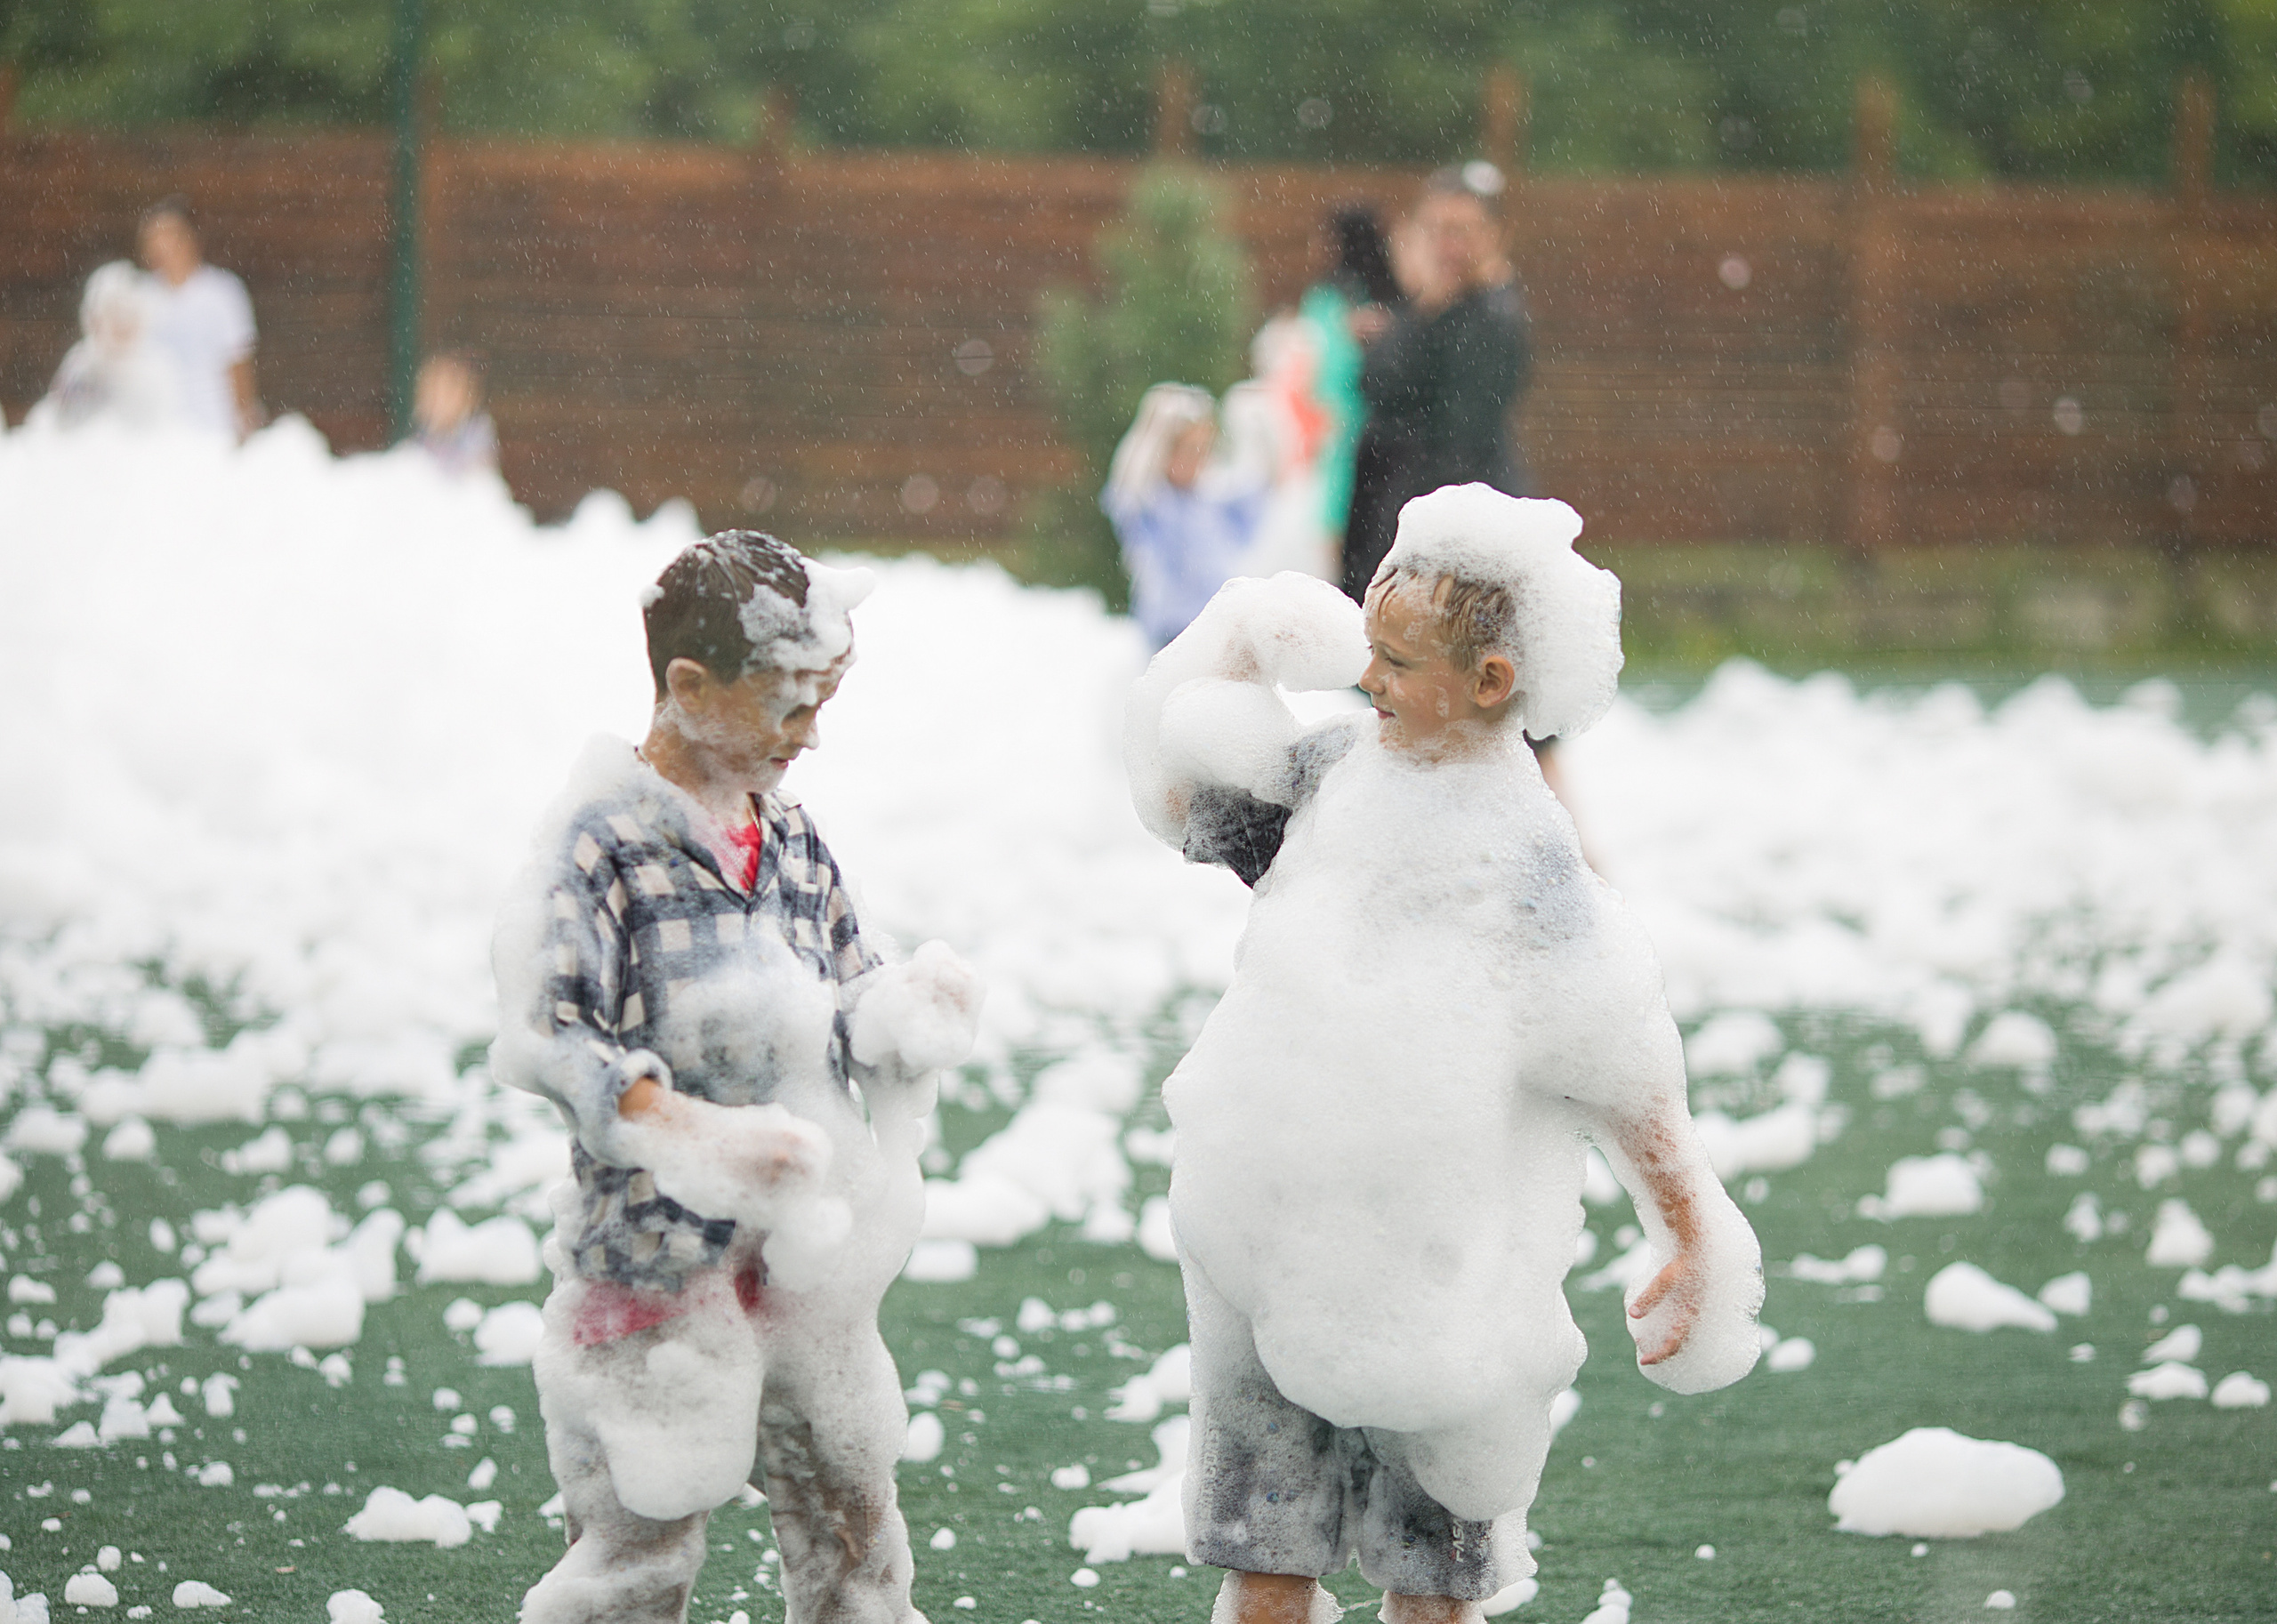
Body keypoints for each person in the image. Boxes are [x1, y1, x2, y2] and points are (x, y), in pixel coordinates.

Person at [1126, 485, 1763, 1624]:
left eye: (1396, 659)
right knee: (1264, 1553)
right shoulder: (1331, 775)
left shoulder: (1528, 864)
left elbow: (1618, 1064)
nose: (1365, 676)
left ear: (1491, 681)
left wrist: (1690, 1223)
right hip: (1272, 1222)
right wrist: (1228, 649)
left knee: (1433, 1572)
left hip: (1446, 1268)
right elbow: (1181, 800)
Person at [492, 528, 983, 1624]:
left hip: (806, 1265)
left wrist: (904, 1008)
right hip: (654, 1265)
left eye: (823, 701)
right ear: (688, 686)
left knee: (854, 1529)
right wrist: (685, 1131)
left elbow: (847, 986)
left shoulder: (791, 837)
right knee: (637, 1554)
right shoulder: (599, 845)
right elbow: (551, 1034)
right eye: (787, 703)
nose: (810, 733)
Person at [1341, 166, 1533, 602]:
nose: (1447, 246)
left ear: (1494, 236)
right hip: (1393, 512)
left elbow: (1457, 435)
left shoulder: (1493, 319)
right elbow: (1374, 384)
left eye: (1459, 231)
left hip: (1448, 535)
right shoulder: (1432, 305)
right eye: (1434, 231)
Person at [1102, 382, 1270, 650]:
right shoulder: (1156, 504)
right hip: (1169, 632)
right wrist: (1156, 424)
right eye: (1190, 450)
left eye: (1205, 448)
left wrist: (1254, 431)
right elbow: (1127, 491)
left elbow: (1258, 495)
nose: (1198, 460)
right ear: (1163, 450)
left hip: (1217, 628)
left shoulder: (1213, 501)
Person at [1299, 206, 1400, 565]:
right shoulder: (1391, 297)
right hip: (1377, 435)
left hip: (1339, 428)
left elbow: (1322, 371)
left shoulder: (1329, 299)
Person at [136, 196, 261, 441]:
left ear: (190, 238)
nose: (161, 245)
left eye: (169, 234)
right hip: (156, 434)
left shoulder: (223, 292)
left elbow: (238, 363)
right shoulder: (140, 296)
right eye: (153, 237)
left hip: (212, 431)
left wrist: (245, 422)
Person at [28, 260, 181, 430]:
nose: (122, 322)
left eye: (130, 313)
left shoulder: (157, 370)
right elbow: (56, 420)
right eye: (114, 312)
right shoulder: (80, 364)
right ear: (94, 318)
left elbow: (169, 431)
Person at [404, 350, 500, 476]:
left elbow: (477, 475)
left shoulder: (476, 432)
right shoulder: (419, 434)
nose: (433, 402)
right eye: (428, 393)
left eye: (442, 394)